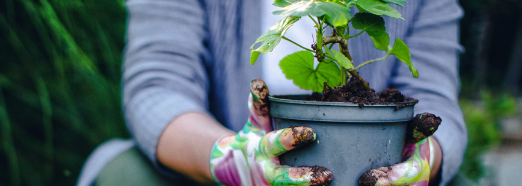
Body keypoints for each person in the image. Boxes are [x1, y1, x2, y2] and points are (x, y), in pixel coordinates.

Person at [77, 0, 466, 185]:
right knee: (125, 174)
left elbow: (434, 99)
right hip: (211, 173)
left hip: (367, 172)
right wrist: (230, 159)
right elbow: (157, 89)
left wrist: (424, 161)